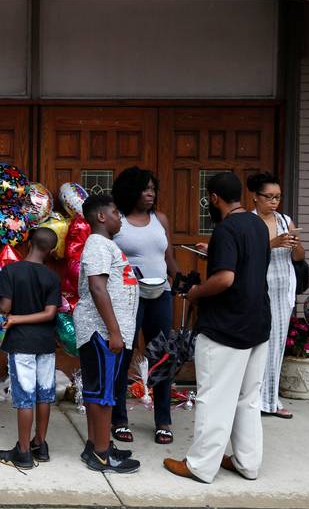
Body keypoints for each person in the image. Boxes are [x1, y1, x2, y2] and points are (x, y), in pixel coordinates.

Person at [164, 172, 271, 483]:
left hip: (227, 327)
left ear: (213, 198)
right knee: (248, 398)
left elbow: (225, 278)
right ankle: (247, 464)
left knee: (214, 397)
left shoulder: (225, 229)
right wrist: (213, 252)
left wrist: (196, 293)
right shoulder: (257, 225)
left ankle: (200, 466)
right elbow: (247, 262)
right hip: (258, 323)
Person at [0, 228, 61, 470]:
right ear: (51, 250)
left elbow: (4, 307)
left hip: (22, 343)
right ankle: (40, 445)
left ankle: (23, 452)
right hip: (45, 343)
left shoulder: (12, 270)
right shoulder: (52, 277)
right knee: (44, 395)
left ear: (29, 244)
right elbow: (50, 313)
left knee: (24, 396)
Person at [111, 167, 179, 444]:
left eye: (153, 188)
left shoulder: (159, 219)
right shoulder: (118, 221)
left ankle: (163, 420)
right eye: (144, 188)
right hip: (129, 297)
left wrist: (182, 282)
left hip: (160, 295)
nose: (150, 193)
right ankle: (119, 419)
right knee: (123, 355)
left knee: (163, 355)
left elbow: (168, 257)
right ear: (130, 191)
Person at [73, 195, 141, 473]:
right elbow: (98, 288)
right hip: (102, 333)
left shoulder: (104, 245)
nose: (120, 217)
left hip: (104, 332)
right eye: (115, 212)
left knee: (97, 391)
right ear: (101, 216)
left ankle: (95, 445)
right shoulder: (99, 245)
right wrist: (114, 332)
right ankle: (102, 455)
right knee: (104, 394)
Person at [248, 173, 305, 419]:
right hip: (256, 288)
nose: (273, 202)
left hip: (282, 289)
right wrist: (272, 243)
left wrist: (295, 243)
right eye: (268, 197)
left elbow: (299, 258)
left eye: (277, 197)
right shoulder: (248, 222)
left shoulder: (285, 220)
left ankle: (271, 400)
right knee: (255, 343)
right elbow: (246, 254)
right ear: (255, 197)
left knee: (276, 344)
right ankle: (252, 399)